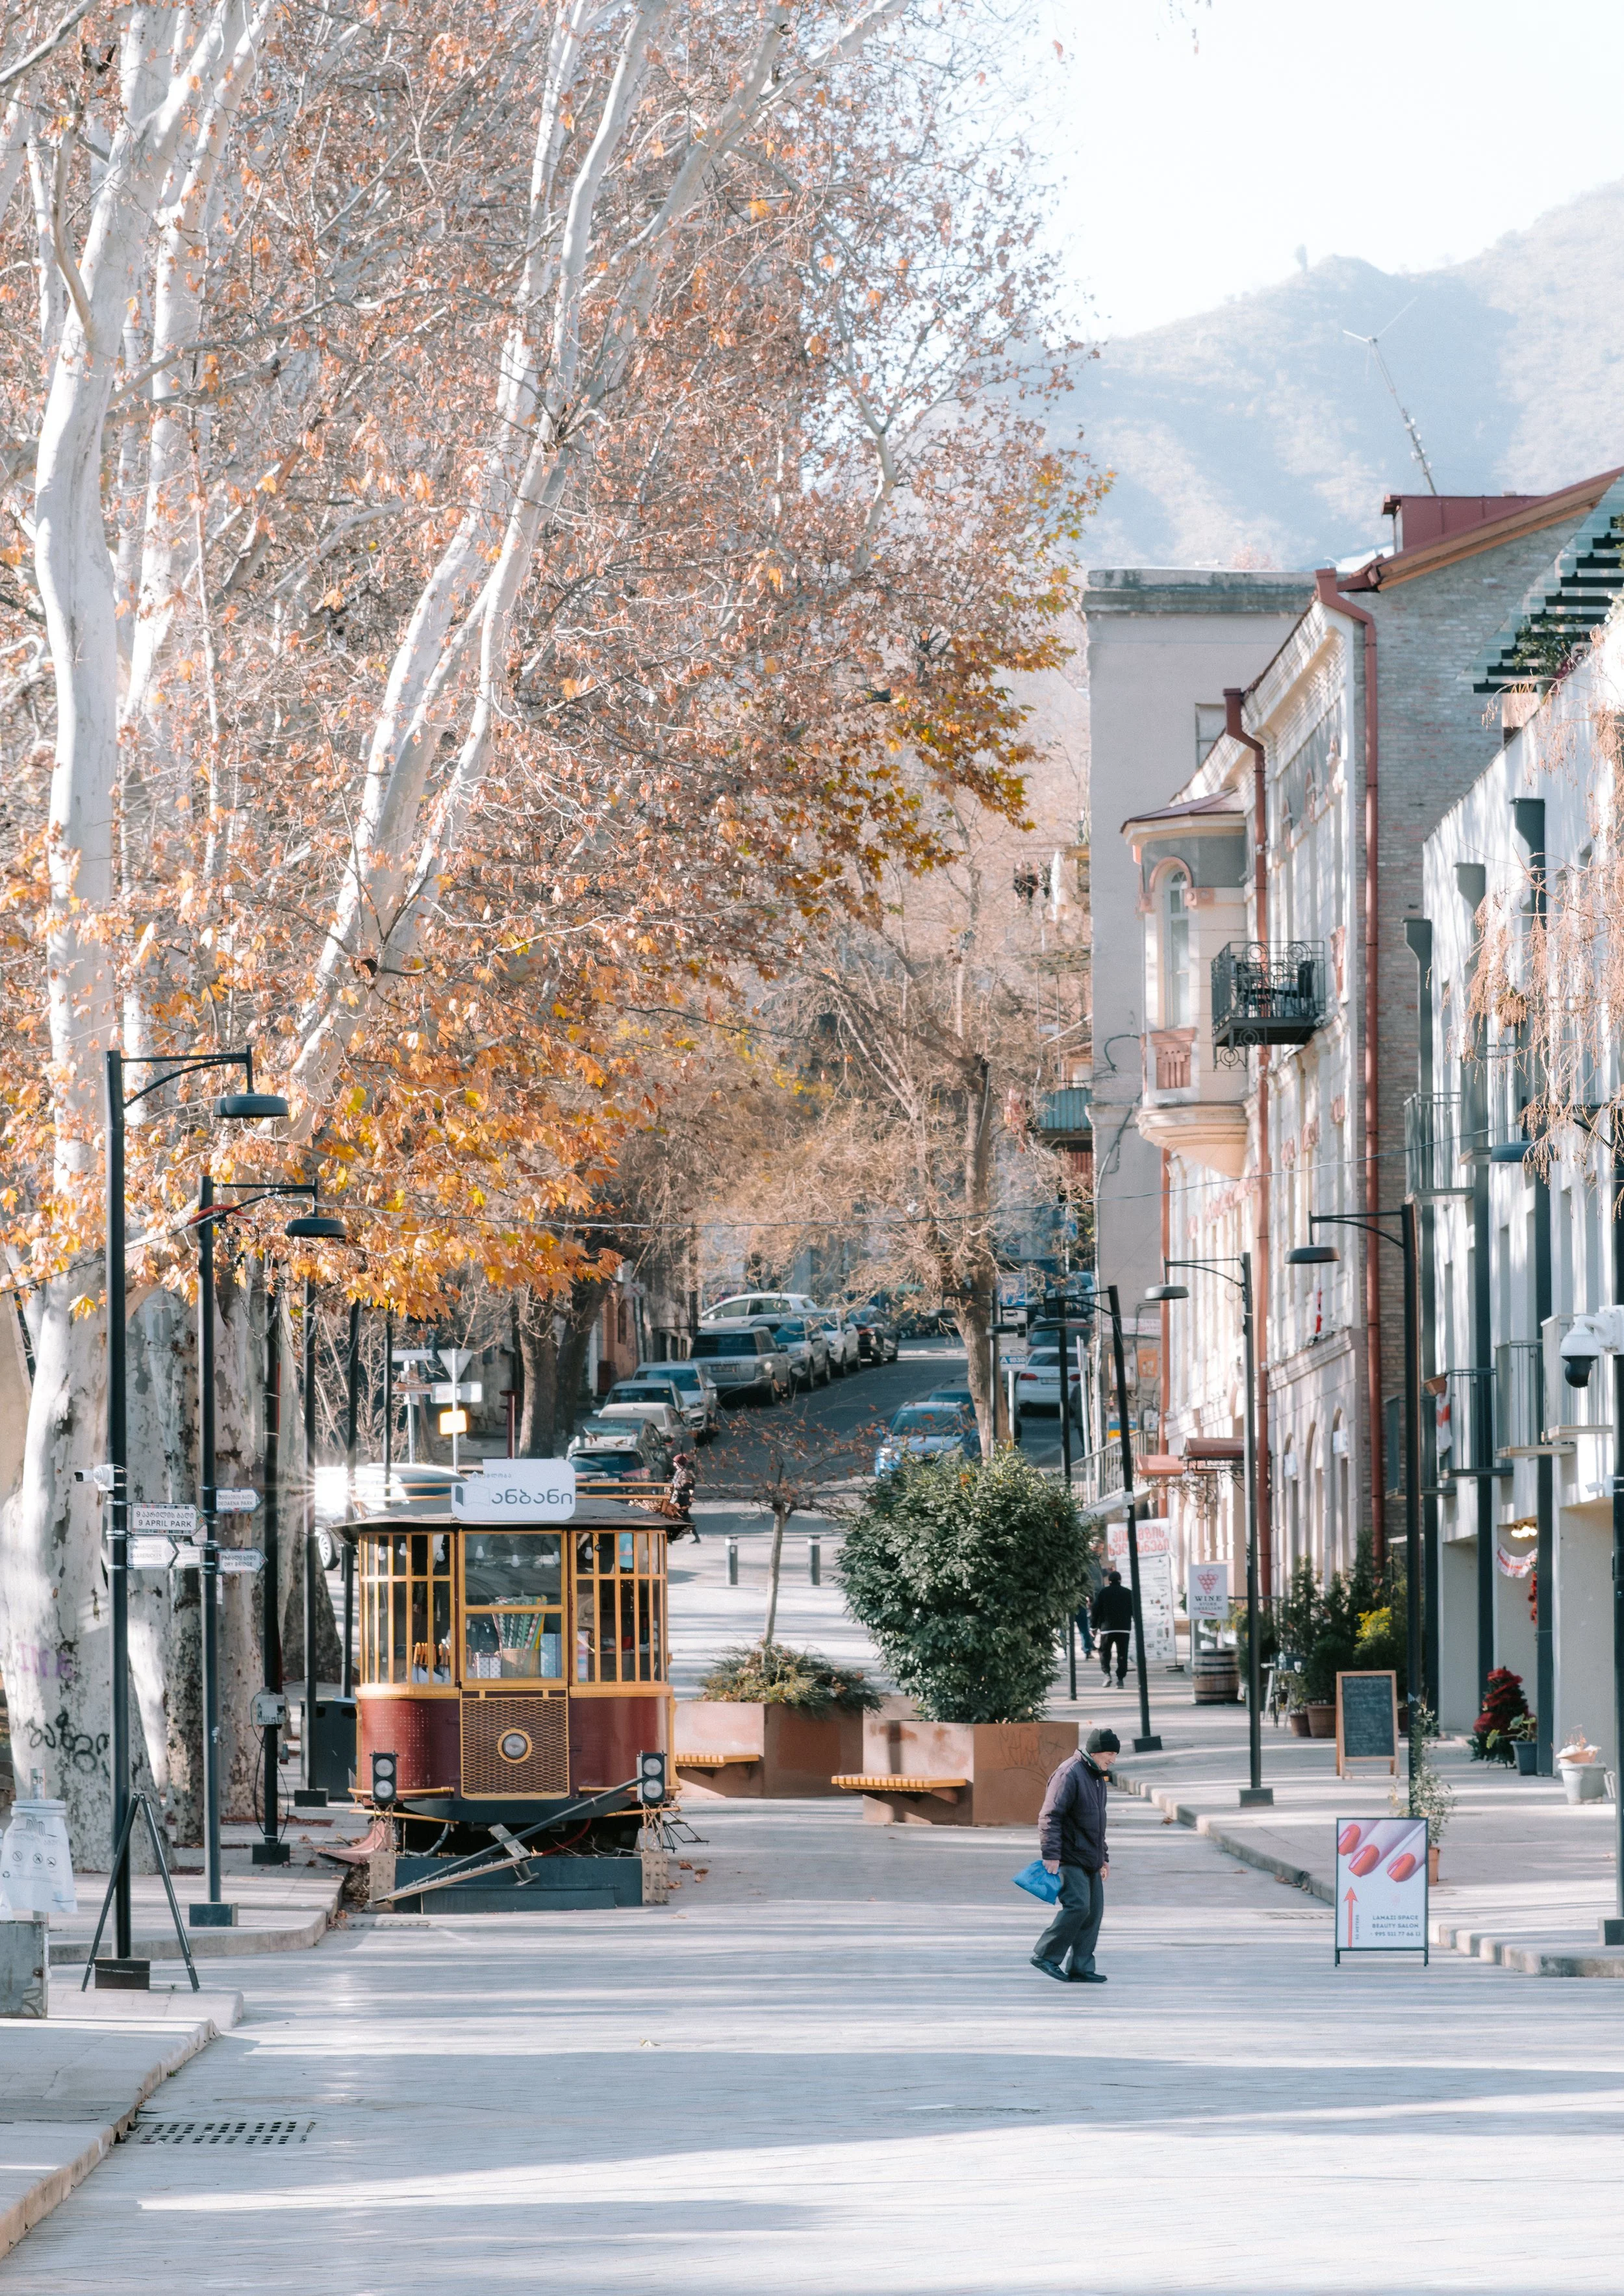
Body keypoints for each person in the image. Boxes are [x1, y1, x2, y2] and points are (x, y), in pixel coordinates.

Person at [1030, 1727, 1117, 1984]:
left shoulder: (1096, 1776)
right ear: (1096, 1751)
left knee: (1093, 1913)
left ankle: (1081, 1967)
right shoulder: (1069, 1773)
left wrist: (1104, 1857)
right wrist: (1051, 1854)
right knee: (1078, 1906)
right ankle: (1045, 1955)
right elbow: (1049, 1816)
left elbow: (1097, 1823)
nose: (1113, 1759)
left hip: (1089, 1856)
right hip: (1068, 1856)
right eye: (1110, 1753)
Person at [1091, 1569, 1134, 1687]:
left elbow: (1096, 1611)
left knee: (1105, 1652)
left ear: (1109, 1581)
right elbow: (1134, 1610)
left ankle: (1107, 1674)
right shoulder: (1128, 1593)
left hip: (1107, 1629)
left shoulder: (1103, 1593)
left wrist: (1093, 1627)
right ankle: (1120, 1679)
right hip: (1124, 1629)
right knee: (1122, 1653)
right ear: (1120, 1581)